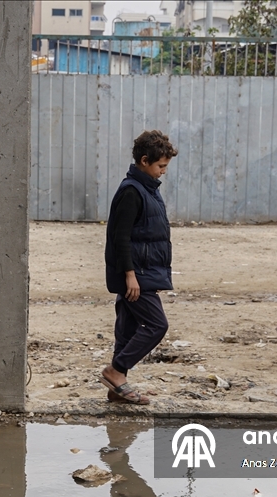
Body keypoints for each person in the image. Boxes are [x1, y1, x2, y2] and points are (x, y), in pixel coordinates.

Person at [100, 130, 178, 405]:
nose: (163, 172)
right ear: (144, 161)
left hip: (142, 273)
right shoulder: (132, 192)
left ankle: (116, 391)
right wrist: (130, 276)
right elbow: (119, 238)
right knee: (157, 324)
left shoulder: (147, 189)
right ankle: (116, 372)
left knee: (127, 330)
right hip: (136, 276)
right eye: (161, 166)